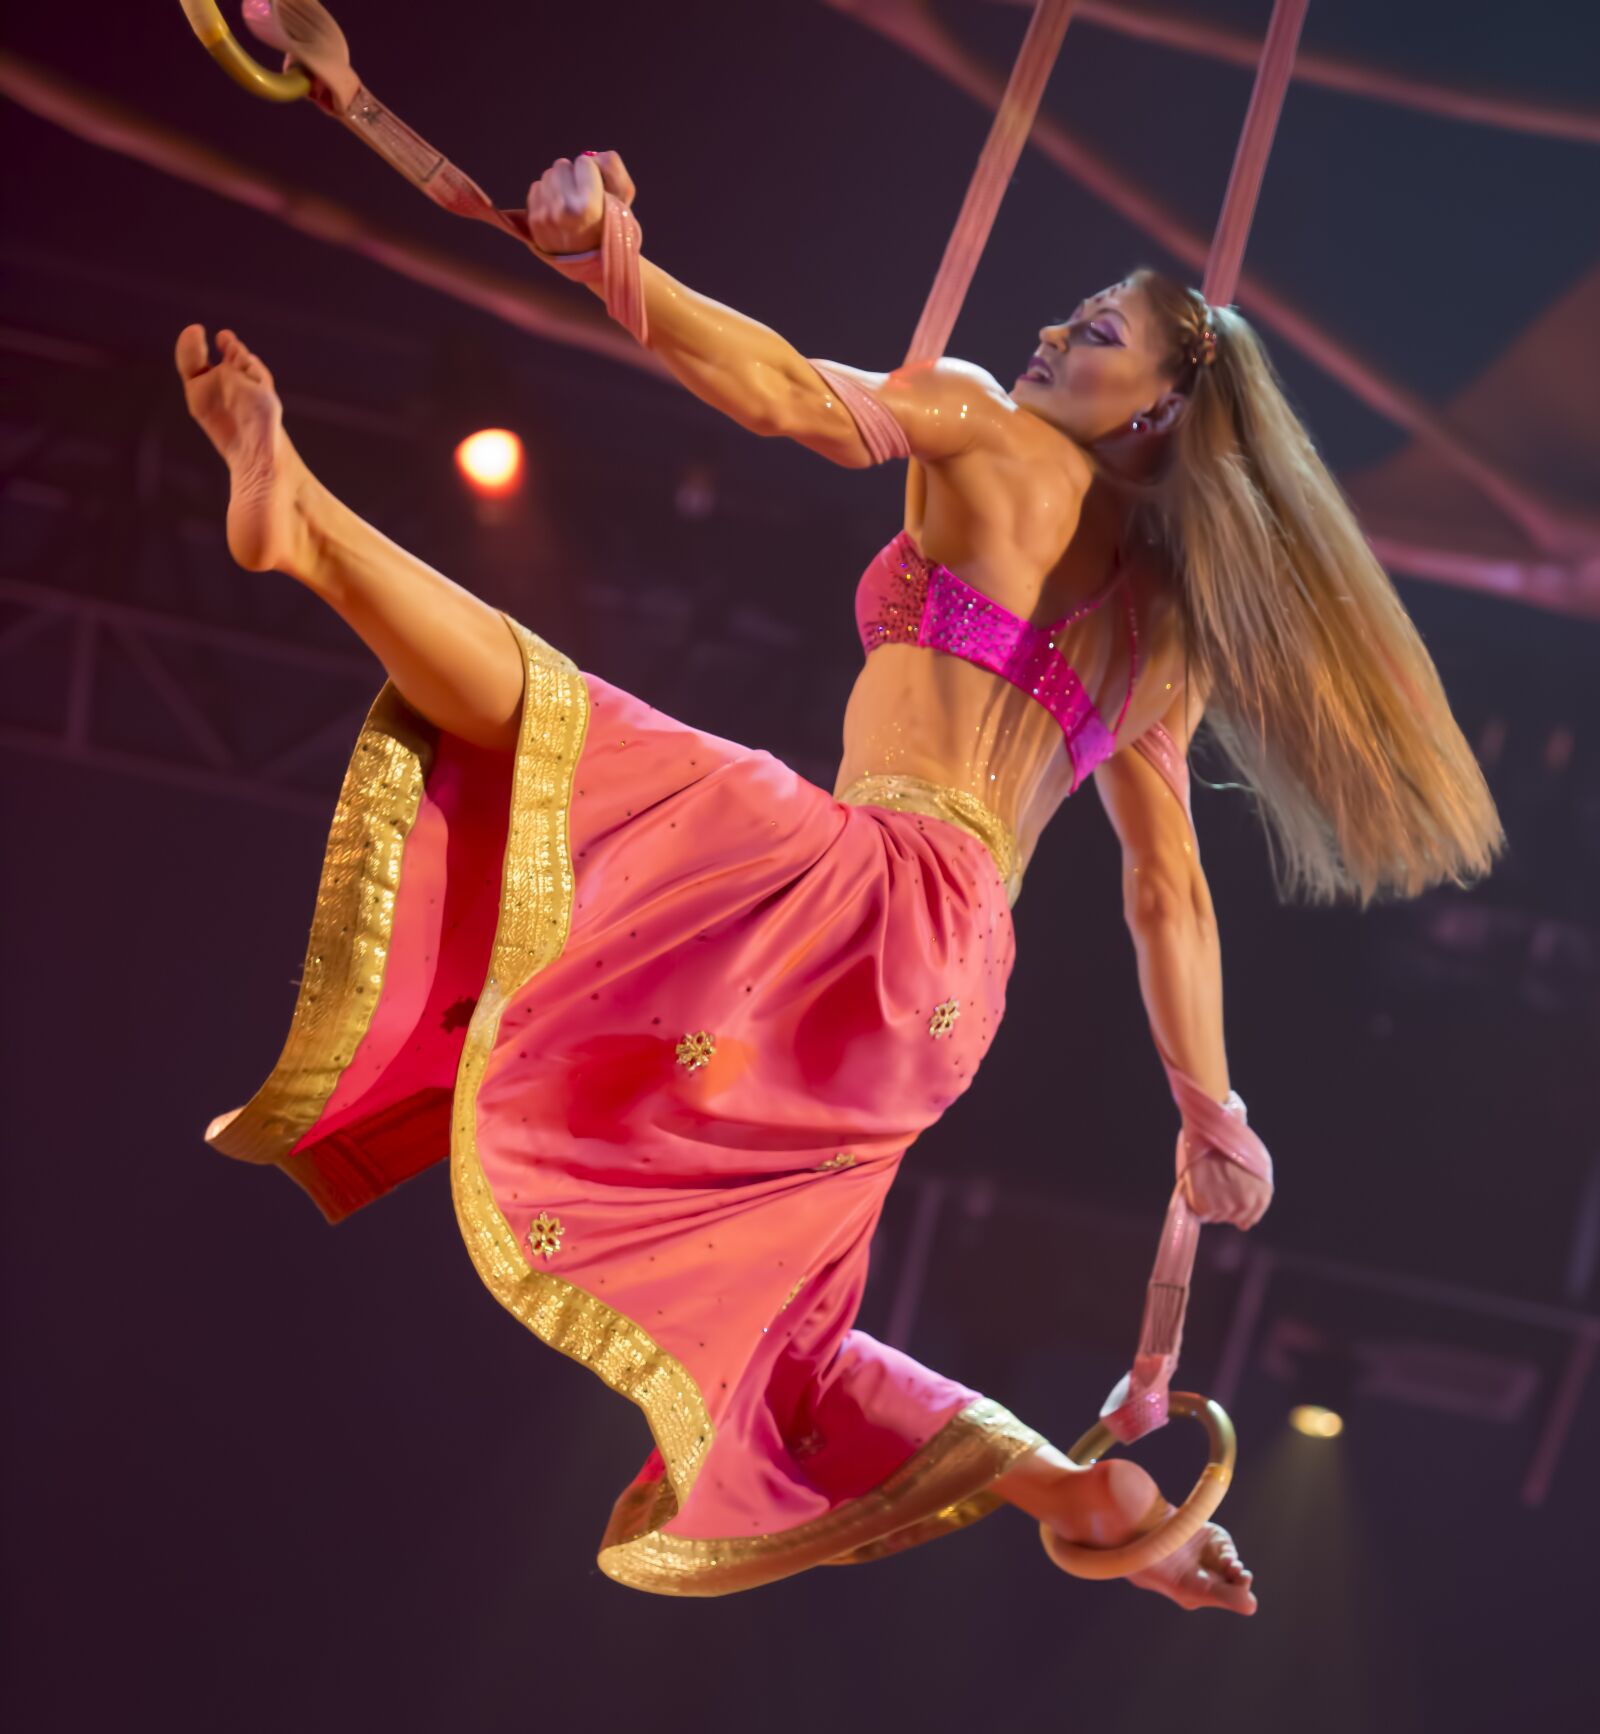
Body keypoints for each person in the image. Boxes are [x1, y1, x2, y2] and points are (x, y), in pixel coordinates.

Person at [177, 150, 1501, 1607]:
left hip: (870, 878)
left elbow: (790, 396)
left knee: (583, 737)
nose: (1055, 334)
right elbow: (1165, 888)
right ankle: (1067, 1489)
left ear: (1166, 406)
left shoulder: (991, 427)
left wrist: (616, 272)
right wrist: (1210, 1106)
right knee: (794, 1331)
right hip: (951, 989)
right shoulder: (1165, 633)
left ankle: (311, 533)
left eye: (1099, 331)